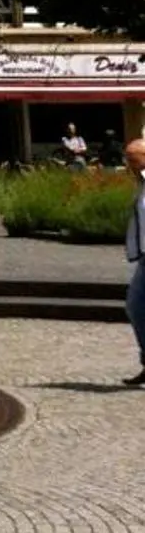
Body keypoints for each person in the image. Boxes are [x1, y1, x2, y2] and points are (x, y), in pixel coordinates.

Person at [123, 137, 145, 389]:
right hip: (144, 257)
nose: (128, 163)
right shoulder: (140, 183)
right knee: (135, 307)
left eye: (132, 158)